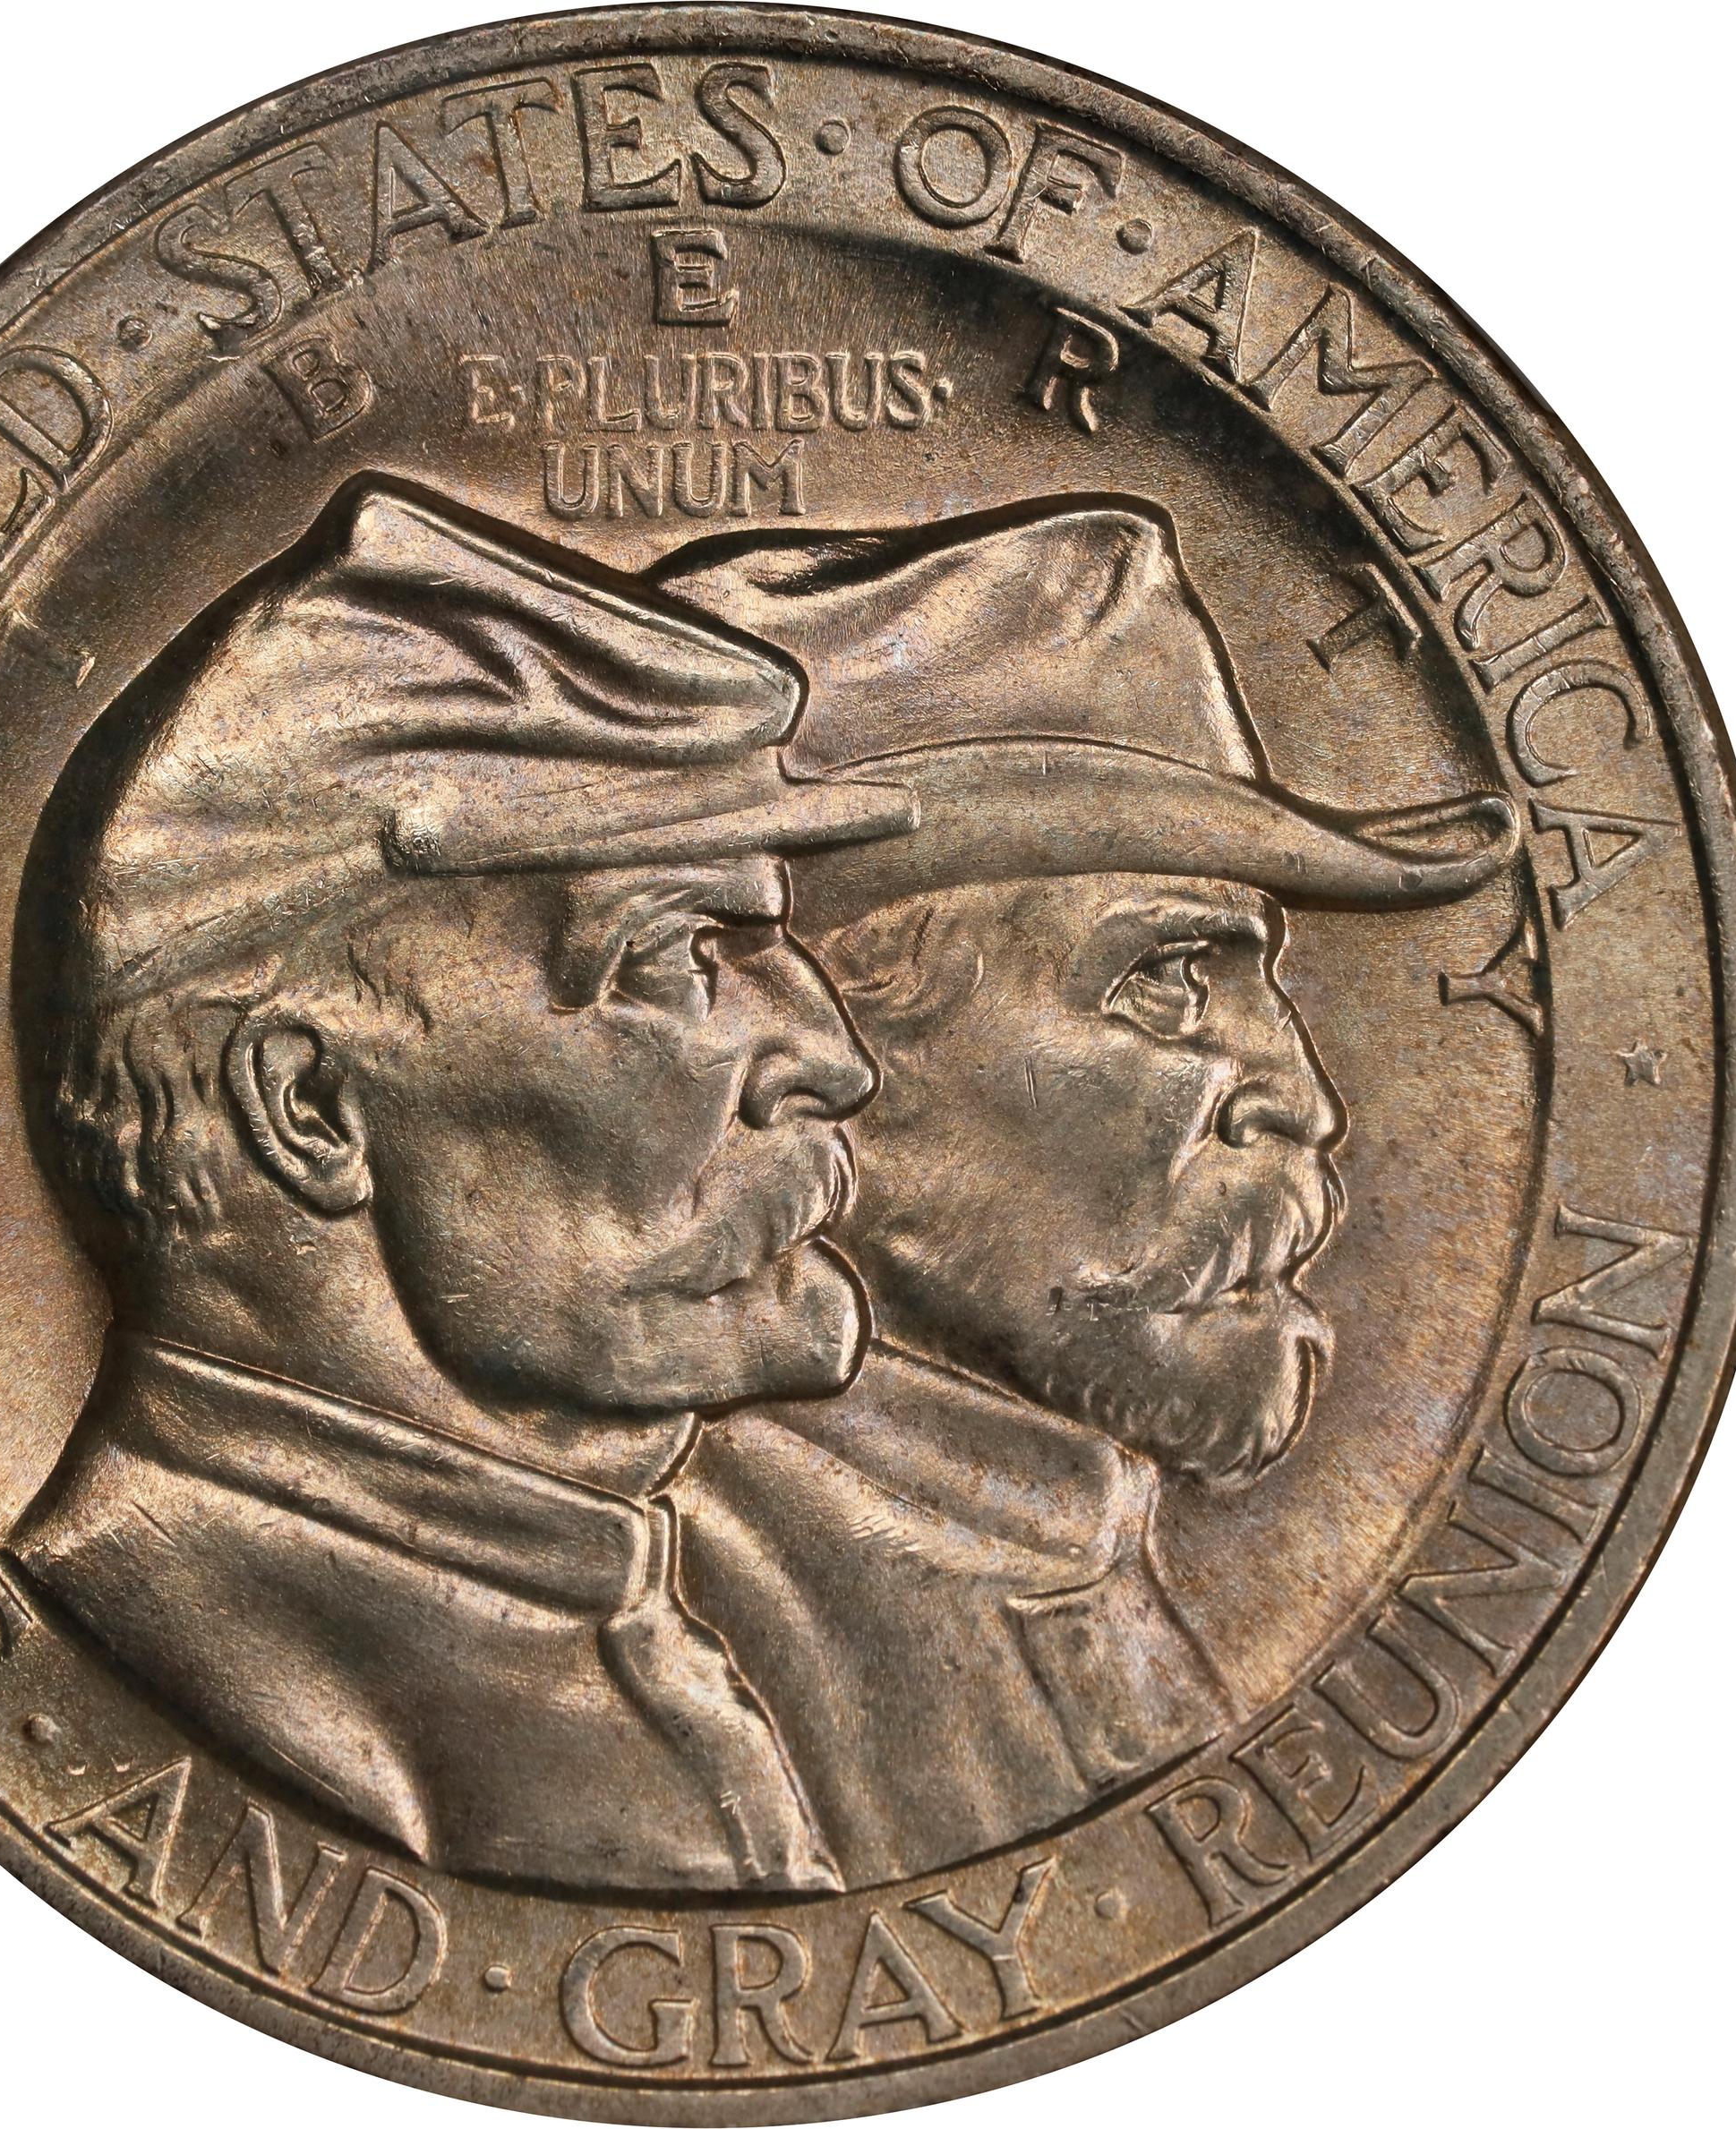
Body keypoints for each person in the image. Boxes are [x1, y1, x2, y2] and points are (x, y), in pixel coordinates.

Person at [7, 477, 917, 1894]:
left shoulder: (602, 1628)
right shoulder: (220, 1673)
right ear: (307, 1107)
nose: (831, 1059)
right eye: (675, 956)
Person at [649, 496, 1518, 1885]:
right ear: (823, 1052)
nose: (1301, 1095)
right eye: (1167, 979)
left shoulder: (1060, 1542)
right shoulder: (664, 1633)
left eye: (1259, 981)